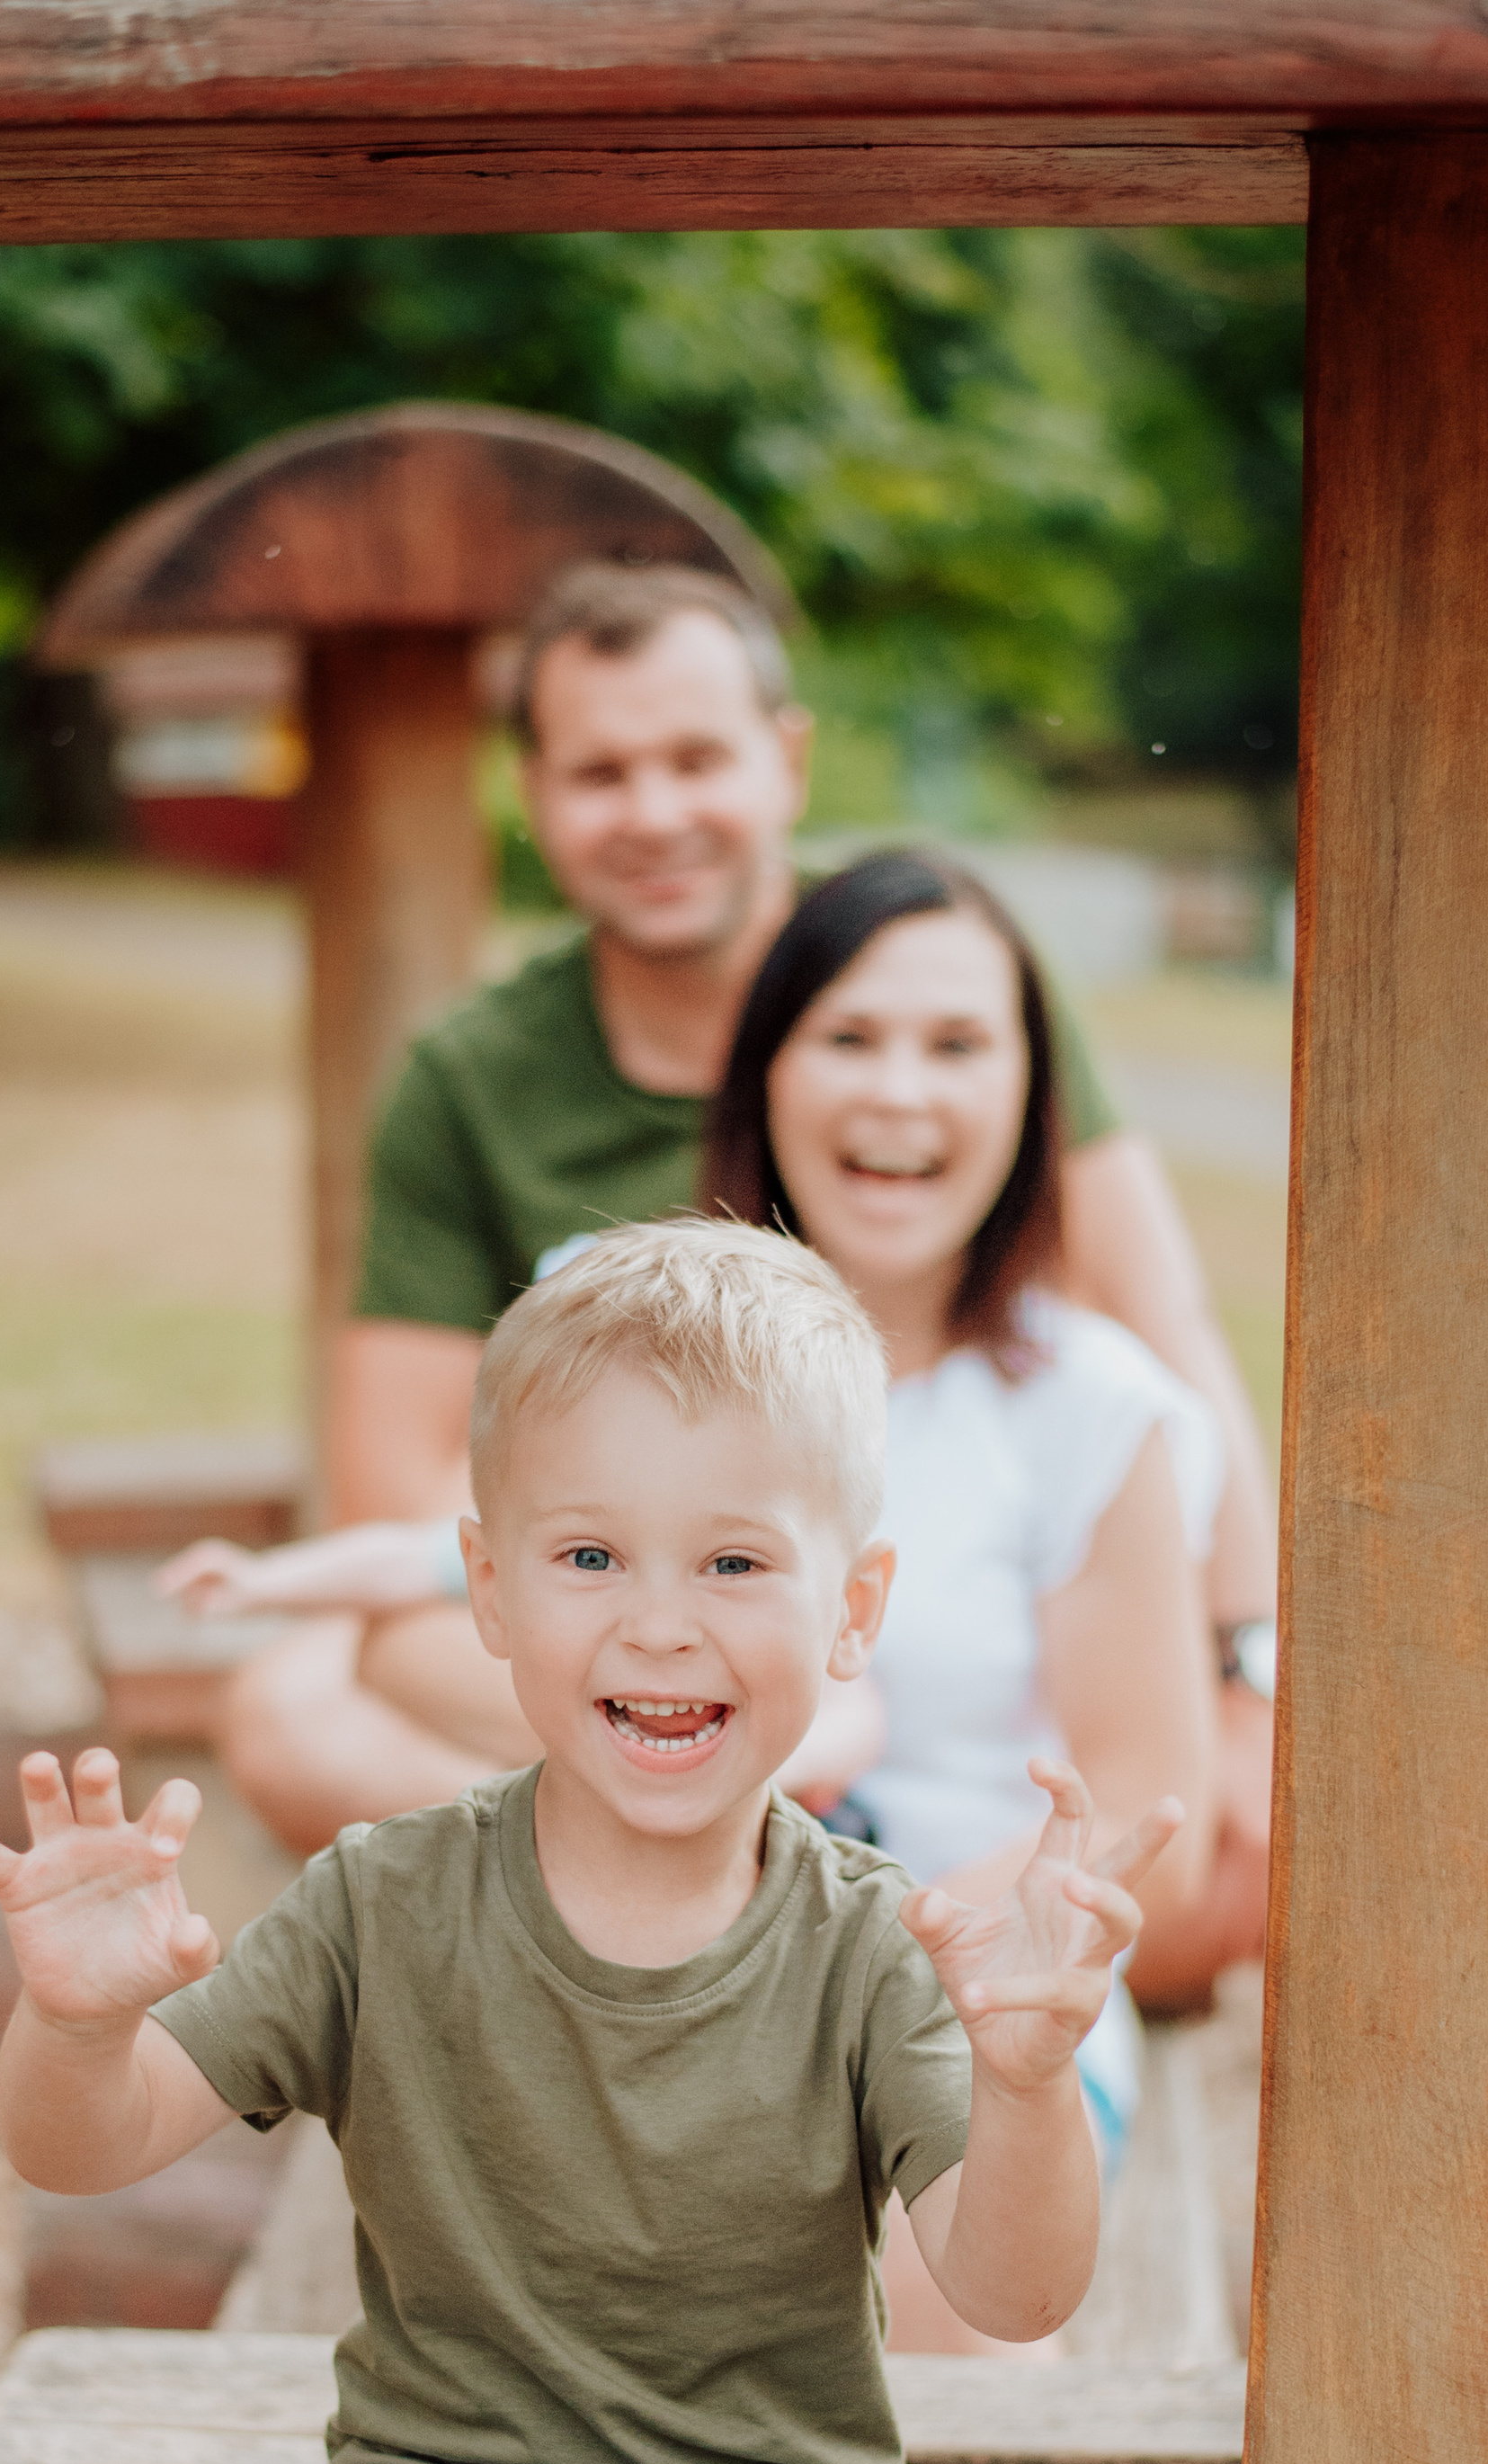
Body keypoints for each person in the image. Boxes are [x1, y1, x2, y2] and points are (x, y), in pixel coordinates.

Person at [0, 1223, 1177, 2464]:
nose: (659, 1624)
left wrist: (1024, 2084)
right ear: (487, 1591)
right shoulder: (384, 1897)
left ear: (852, 1609)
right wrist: (77, 2022)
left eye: (734, 1562)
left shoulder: (870, 1948)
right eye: (590, 1556)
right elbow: (84, 2145)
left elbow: (1015, 2292)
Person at [186, 558, 1272, 2001]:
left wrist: (1249, 1665)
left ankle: (734, 1945)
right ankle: (665, 1921)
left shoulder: (945, 972)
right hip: (640, 1599)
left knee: (1185, 1853)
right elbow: (426, 1503)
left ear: (786, 760)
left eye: (696, 757)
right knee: (302, 1702)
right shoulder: (508, 1126)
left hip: (929, 1774)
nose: (655, 812)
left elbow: (1161, 1328)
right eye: (603, 771)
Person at [699, 849, 1219, 2347]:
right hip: (673, 1967)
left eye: (956, 1045)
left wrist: (879, 1956)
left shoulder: (1089, 1409)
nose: (900, 1094)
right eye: (851, 1037)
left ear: (1030, 1095)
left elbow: (1150, 1820)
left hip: (976, 2001)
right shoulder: (656, 1371)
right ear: (767, 1069)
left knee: (870, 2300)